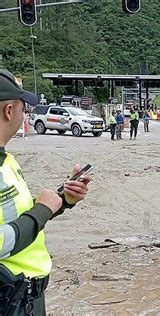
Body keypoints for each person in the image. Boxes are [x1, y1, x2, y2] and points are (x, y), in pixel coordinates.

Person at [0, 69, 91, 314]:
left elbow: (15, 216)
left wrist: (62, 200)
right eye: (23, 107)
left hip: (23, 296)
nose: (26, 113)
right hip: (9, 299)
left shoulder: (6, 160)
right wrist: (42, 210)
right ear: (9, 111)